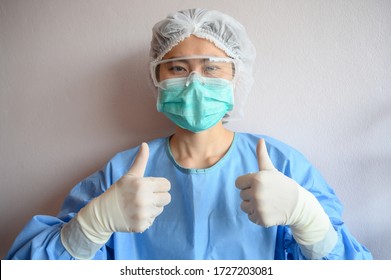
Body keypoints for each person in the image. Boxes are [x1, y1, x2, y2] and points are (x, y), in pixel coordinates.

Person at [6, 8, 372, 260]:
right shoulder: (124, 172)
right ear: (157, 79)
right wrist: (88, 228)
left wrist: (308, 219)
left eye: (212, 68)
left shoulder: (283, 165)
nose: (195, 82)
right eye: (178, 68)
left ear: (237, 79)